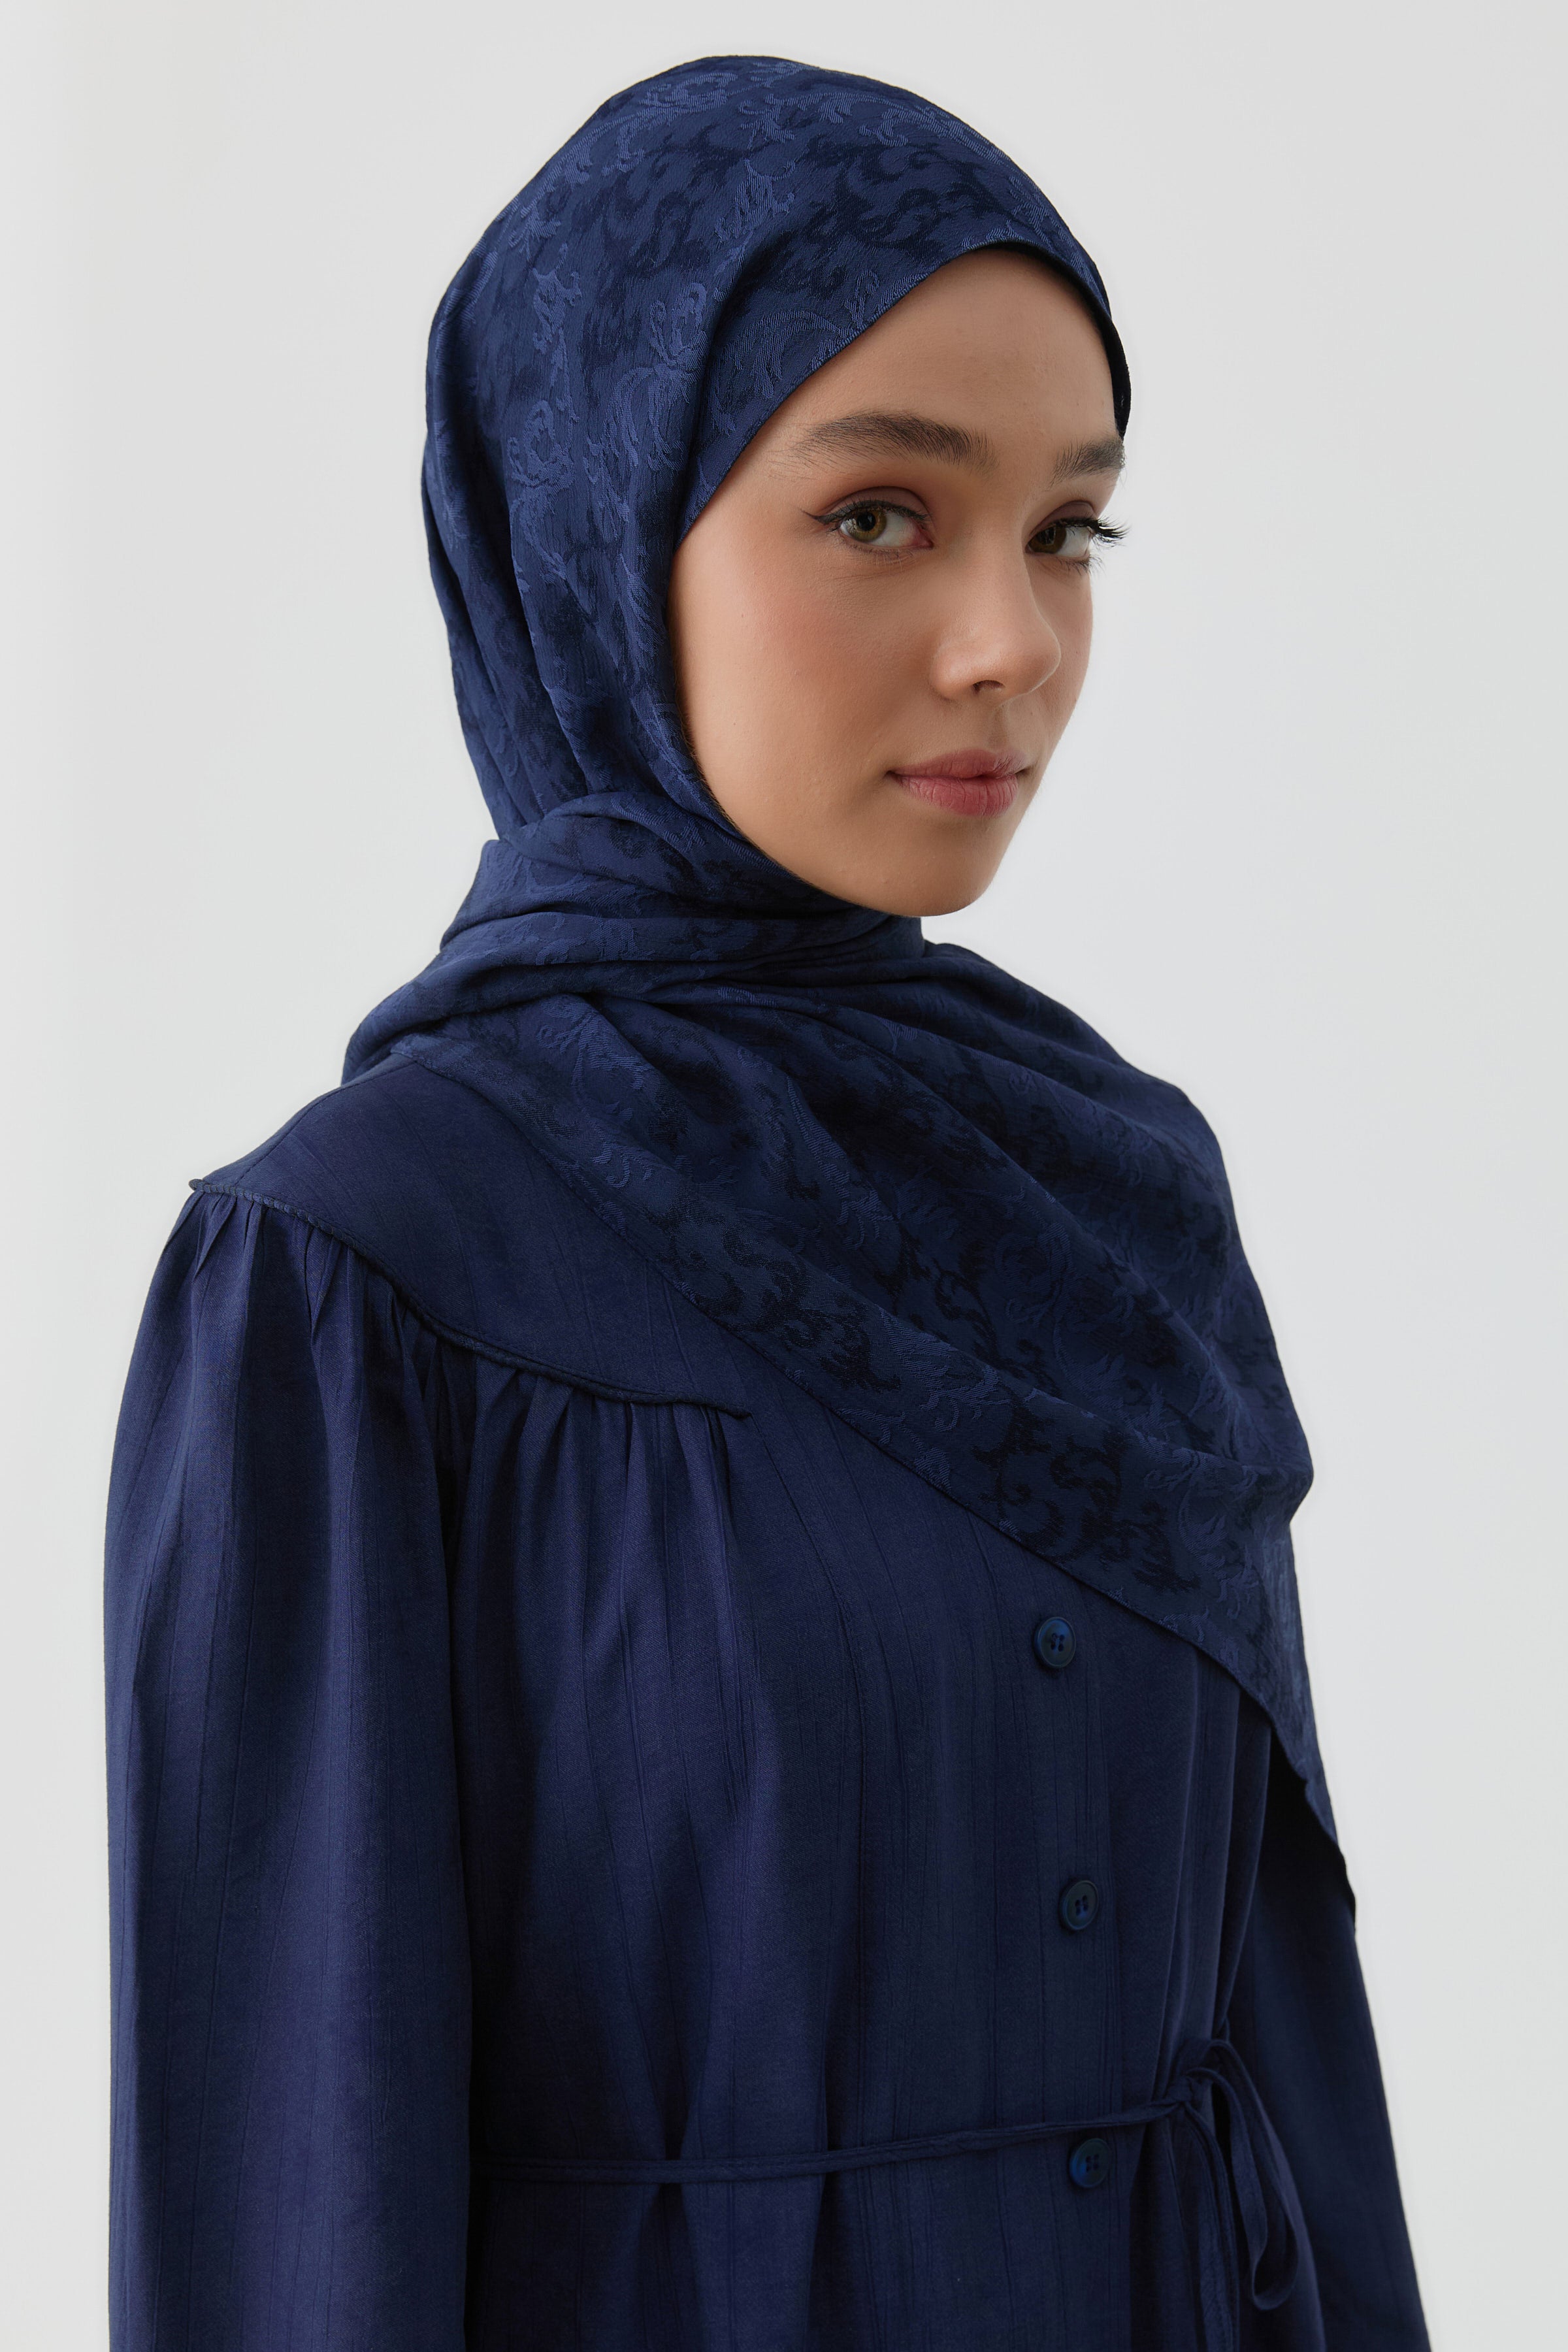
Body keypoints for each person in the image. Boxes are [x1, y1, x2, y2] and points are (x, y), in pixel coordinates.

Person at [103, 55, 1429, 2352]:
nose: (1013, 641)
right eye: (884, 516)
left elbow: (1281, 2069)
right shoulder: (359, 1279)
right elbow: (288, 2216)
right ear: (599, 535)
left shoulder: (1112, 1198)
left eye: (1070, 532)